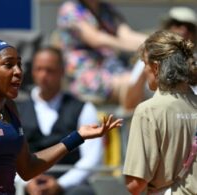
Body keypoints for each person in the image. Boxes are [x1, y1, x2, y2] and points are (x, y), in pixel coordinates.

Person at [0, 39, 122, 195]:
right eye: (8, 65)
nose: (18, 71)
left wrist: (77, 137)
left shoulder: (10, 107)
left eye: (19, 64)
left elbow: (27, 168)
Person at [16, 46, 102, 195]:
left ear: (62, 71)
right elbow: (8, 155)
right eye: (39, 69)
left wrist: (60, 184)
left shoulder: (83, 108)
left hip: (69, 187)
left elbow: (92, 158)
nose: (44, 75)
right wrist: (26, 183)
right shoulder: (16, 109)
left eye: (50, 70)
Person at [123, 30, 197, 194]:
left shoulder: (148, 111)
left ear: (156, 68)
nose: (143, 70)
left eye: (144, 64)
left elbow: (135, 184)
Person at [57, 0, 147, 106]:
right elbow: (95, 39)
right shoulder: (70, 9)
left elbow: (126, 34)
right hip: (85, 72)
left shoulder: (107, 9)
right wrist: (135, 46)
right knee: (134, 83)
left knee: (145, 79)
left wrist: (158, 41)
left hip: (113, 67)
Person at [125, 6, 197, 110]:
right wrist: (147, 65)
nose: (183, 30)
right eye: (177, 24)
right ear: (168, 27)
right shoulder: (147, 58)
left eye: (189, 27)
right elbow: (129, 105)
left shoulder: (195, 61)